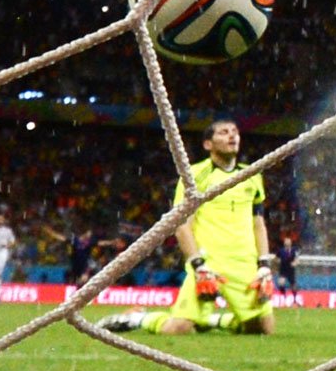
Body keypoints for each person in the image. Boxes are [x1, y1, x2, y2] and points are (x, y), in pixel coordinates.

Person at [97, 120, 276, 335]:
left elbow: (258, 223)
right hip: (209, 263)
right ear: (208, 144)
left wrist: (264, 264)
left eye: (235, 132)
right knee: (177, 328)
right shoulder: (195, 176)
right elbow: (182, 224)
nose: (232, 136)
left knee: (262, 329)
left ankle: (209, 321)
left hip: (244, 263)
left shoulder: (252, 176)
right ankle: (140, 318)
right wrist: (198, 264)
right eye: (224, 132)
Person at [275, 236, 299, 302]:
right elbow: (276, 258)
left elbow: (297, 259)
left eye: (288, 241)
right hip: (283, 269)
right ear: (284, 243)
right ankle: (284, 296)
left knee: (293, 285)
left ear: (291, 243)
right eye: (286, 241)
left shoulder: (294, 250)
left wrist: (295, 263)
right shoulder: (280, 250)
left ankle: (295, 298)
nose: (287, 242)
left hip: (291, 270)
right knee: (281, 283)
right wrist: (278, 261)